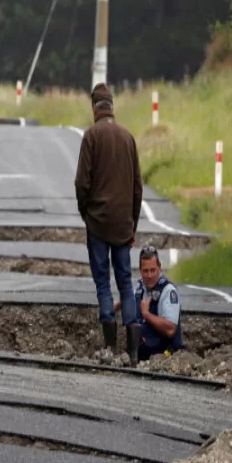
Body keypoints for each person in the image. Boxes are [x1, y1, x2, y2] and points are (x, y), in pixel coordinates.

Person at [74, 83, 143, 366]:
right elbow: (137, 187)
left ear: (94, 108)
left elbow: (82, 182)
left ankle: (110, 348)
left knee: (103, 283)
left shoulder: (91, 136)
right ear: (111, 106)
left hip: (98, 224)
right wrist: (132, 224)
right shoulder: (128, 137)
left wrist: (85, 213)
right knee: (125, 283)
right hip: (123, 224)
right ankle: (134, 353)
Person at [115, 245, 185, 361]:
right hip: (143, 353)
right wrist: (118, 305)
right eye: (145, 271)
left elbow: (170, 329)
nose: (149, 275)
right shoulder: (140, 287)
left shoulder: (168, 291)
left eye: (153, 270)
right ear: (140, 270)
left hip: (165, 357)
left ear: (160, 267)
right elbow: (130, 297)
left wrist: (146, 315)